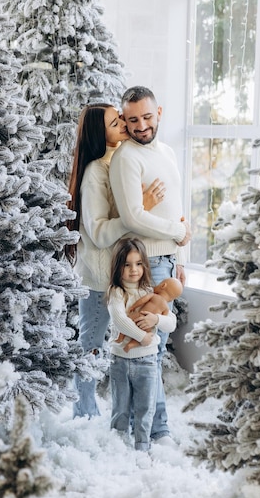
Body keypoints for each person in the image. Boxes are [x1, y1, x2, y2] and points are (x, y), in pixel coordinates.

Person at [66, 102, 166, 419]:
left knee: (118, 342)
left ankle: (110, 410)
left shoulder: (117, 161)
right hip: (98, 279)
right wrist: (138, 210)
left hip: (116, 277)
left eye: (120, 118)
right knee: (91, 346)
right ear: (100, 133)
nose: (124, 123)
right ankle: (83, 412)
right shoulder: (96, 170)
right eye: (115, 122)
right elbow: (97, 233)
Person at [109, 86, 191, 444]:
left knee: (156, 346)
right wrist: (176, 232)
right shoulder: (127, 157)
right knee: (149, 352)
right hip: (149, 261)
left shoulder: (168, 152)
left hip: (169, 260)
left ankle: (151, 428)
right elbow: (132, 216)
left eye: (146, 116)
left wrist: (181, 258)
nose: (141, 125)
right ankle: (157, 431)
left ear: (160, 113)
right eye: (132, 119)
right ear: (125, 122)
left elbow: (176, 205)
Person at [107, 237, 176, 452]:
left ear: (145, 266)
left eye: (138, 264)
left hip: (146, 361)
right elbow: (119, 319)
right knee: (121, 406)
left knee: (145, 407)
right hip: (120, 360)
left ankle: (142, 445)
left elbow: (171, 322)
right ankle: (118, 443)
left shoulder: (151, 292)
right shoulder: (117, 292)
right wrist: (141, 335)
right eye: (127, 265)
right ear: (118, 267)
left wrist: (156, 320)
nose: (133, 270)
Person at [115, 277, 183, 352]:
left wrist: (133, 307)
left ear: (163, 285)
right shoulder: (166, 308)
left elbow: (142, 300)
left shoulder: (153, 296)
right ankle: (131, 344)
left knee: (127, 319)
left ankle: (120, 337)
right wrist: (157, 319)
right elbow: (164, 318)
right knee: (147, 337)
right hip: (147, 325)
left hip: (139, 315)